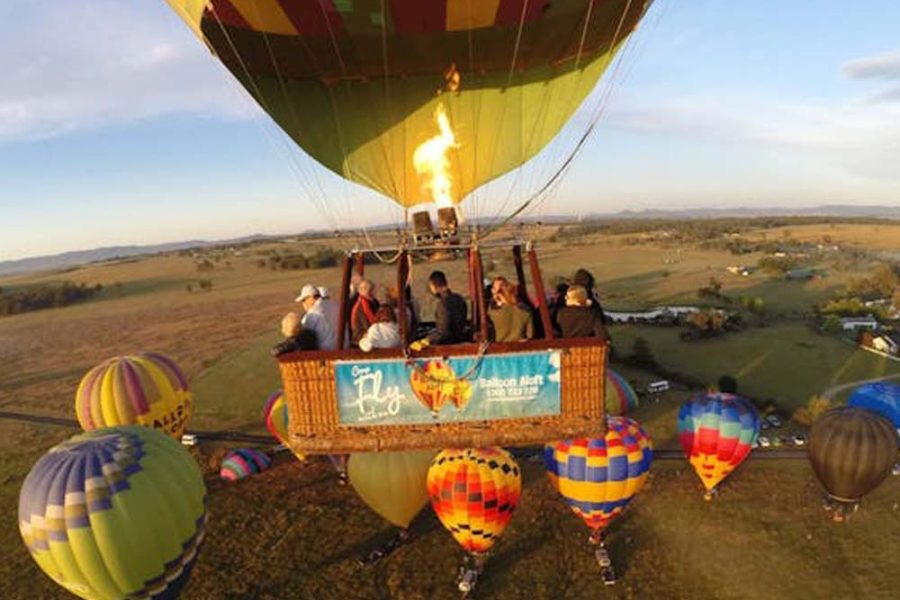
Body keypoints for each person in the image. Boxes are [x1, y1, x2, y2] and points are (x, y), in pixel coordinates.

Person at [410, 270, 469, 350]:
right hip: (460, 338)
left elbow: (443, 332)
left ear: (433, 286)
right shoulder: (459, 299)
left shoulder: (443, 304)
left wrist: (426, 340)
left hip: (448, 345)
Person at [295, 284, 338, 350]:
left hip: (326, 354)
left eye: (304, 300)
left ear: (312, 297)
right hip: (345, 349)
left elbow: (304, 337)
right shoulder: (336, 306)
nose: (303, 304)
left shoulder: (312, 314)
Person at [350, 279, 380, 345]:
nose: (372, 293)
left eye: (372, 290)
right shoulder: (360, 306)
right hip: (361, 339)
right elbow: (365, 326)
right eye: (370, 290)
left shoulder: (373, 302)